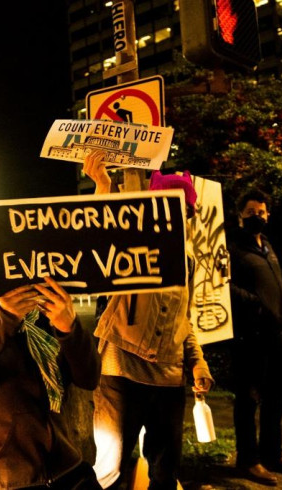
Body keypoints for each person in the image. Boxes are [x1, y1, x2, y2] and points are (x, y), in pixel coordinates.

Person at [83, 151, 214, 490]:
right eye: (169, 208)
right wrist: (103, 187)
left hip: (170, 379)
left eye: (184, 211)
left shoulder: (187, 260)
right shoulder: (131, 243)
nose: (178, 218)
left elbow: (184, 321)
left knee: (165, 474)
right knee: (108, 471)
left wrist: (197, 363)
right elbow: (97, 240)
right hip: (121, 372)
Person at [0, 276, 102, 489]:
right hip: (4, 477)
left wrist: (69, 329)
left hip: (64, 465)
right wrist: (3, 320)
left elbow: (89, 378)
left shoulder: (44, 313)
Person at [228, 189, 282, 486]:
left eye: (261, 212)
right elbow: (223, 286)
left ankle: (272, 453)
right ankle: (248, 460)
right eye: (250, 212)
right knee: (248, 397)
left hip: (275, 331)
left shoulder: (267, 246)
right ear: (240, 216)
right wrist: (255, 305)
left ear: (268, 215)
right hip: (250, 334)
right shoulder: (233, 249)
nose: (257, 217)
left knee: (278, 392)